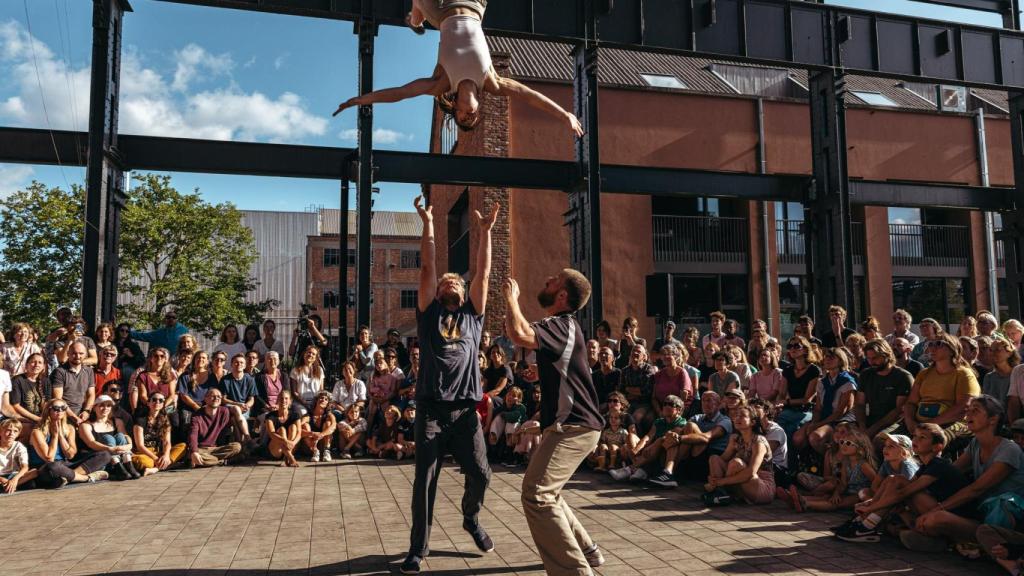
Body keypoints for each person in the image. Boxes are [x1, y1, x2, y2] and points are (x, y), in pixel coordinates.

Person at [402, 195, 498, 575]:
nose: (450, 282)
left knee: (481, 474)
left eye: (456, 280)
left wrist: (486, 233)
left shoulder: (474, 316)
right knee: (425, 480)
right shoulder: (429, 315)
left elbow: (484, 273)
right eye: (446, 281)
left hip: (464, 412)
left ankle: (471, 518)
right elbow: (428, 266)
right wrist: (427, 222)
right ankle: (418, 548)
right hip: (430, 408)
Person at [335, 0, 583, 137]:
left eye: (463, 119)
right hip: (474, 5)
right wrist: (566, 115)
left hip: (442, 9)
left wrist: (361, 100)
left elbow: (400, 93)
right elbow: (530, 96)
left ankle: (414, 18)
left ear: (454, 107)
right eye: (473, 119)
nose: (470, 117)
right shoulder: (492, 81)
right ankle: (415, 18)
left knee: (420, 8)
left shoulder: (441, 83)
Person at [504, 268, 606, 575]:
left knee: (537, 495)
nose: (547, 278)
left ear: (562, 295)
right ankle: (588, 551)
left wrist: (510, 297)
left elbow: (519, 334)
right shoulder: (565, 328)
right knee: (549, 494)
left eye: (554, 279)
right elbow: (569, 374)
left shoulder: (559, 324)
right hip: (573, 426)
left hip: (574, 428)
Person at [910, 396, 1024, 552]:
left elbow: (976, 489)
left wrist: (936, 509)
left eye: (975, 411)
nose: (968, 415)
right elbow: (950, 472)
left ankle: (957, 542)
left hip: (997, 523)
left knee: (935, 518)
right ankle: (949, 541)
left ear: (993, 419)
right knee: (916, 495)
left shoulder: (1009, 450)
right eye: (968, 410)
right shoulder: (975, 444)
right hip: (978, 511)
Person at [837, 423, 967, 543]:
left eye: (922, 438)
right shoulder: (924, 466)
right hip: (928, 508)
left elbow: (904, 492)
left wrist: (871, 507)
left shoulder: (939, 465)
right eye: (914, 436)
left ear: (937, 447)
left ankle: (867, 525)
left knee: (898, 483)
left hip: (947, 514)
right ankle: (864, 522)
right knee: (894, 479)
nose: (915, 440)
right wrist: (871, 502)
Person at [902, 333, 980, 444]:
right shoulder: (924, 373)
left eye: (939, 344)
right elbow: (911, 403)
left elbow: (964, 407)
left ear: (952, 349)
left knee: (927, 442)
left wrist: (930, 424)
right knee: (881, 440)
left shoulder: (964, 374)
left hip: (953, 422)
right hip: (920, 422)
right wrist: (910, 422)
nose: (932, 348)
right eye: (930, 344)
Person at [785, 428, 877, 513]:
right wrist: (836, 493)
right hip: (848, 491)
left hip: (859, 494)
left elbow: (876, 482)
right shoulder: (846, 462)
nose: (843, 445)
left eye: (848, 443)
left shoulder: (863, 465)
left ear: (860, 449)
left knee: (836, 504)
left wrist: (869, 498)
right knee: (828, 498)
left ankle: (806, 504)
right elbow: (843, 483)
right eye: (842, 442)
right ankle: (797, 499)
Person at [702, 404, 775, 504]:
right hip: (743, 482)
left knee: (735, 463)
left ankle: (719, 491)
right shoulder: (737, 439)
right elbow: (722, 460)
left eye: (742, 416)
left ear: (752, 422)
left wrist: (721, 481)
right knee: (714, 458)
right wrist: (713, 477)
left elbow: (751, 472)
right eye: (736, 415)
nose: (737, 418)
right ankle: (720, 493)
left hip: (761, 487)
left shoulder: (759, 442)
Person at [28, 399, 110, 488]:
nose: (60, 411)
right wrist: (55, 436)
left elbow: (70, 455)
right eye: (56, 408)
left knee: (105, 454)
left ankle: (68, 477)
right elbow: (49, 458)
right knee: (53, 466)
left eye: (63, 408)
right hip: (45, 468)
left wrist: (61, 436)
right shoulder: (37, 432)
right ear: (48, 410)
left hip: (65, 465)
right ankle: (85, 478)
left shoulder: (69, 428)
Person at [660, 391, 733, 482]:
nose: (705, 404)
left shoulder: (725, 420)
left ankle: (669, 471)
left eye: (709, 400)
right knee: (677, 431)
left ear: (718, 404)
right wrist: (672, 435)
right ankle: (668, 471)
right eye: (703, 401)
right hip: (694, 450)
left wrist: (679, 438)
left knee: (690, 427)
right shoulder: (697, 417)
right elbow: (680, 431)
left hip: (711, 453)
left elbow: (707, 438)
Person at [855, 339, 914, 441]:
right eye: (868, 358)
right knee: (842, 433)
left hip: (895, 422)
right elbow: (860, 404)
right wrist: (862, 426)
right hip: (871, 419)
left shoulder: (903, 376)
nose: (871, 362)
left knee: (878, 440)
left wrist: (871, 430)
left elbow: (898, 411)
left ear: (887, 355)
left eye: (875, 358)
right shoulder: (865, 374)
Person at [79, 394, 140, 480]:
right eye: (101, 405)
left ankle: (127, 464)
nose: (105, 408)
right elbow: (91, 443)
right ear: (94, 407)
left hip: (119, 454)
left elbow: (125, 436)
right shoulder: (86, 425)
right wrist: (109, 449)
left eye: (108, 406)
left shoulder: (117, 421)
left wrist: (130, 444)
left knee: (120, 436)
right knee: (108, 438)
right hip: (99, 458)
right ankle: (116, 465)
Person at [777, 336, 822, 440]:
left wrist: (785, 402)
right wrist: (779, 404)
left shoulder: (814, 370)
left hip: (807, 411)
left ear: (806, 349)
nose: (792, 349)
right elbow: (781, 394)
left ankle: (788, 455)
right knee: (778, 423)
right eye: (790, 346)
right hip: (788, 409)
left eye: (797, 346)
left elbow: (807, 400)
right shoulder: (787, 370)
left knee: (789, 426)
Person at [132, 393, 187, 475]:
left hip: (158, 451)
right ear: (148, 403)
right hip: (144, 453)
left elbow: (167, 442)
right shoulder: (140, 420)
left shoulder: (165, 420)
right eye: (154, 400)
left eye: (161, 400)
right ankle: (167, 465)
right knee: (143, 461)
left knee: (183, 446)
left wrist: (166, 455)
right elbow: (140, 446)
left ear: (163, 404)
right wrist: (156, 459)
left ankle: (155, 469)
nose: (157, 402)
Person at [187, 390, 242, 468]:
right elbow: (193, 435)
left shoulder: (224, 411)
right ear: (205, 399)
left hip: (217, 449)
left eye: (219, 396)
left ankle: (209, 461)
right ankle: (221, 461)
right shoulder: (197, 416)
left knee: (237, 447)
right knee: (191, 454)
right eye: (213, 396)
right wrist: (194, 452)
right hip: (202, 449)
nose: (216, 398)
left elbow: (231, 426)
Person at [51, 342, 95, 427]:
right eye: (74, 353)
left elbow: (91, 394)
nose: (78, 356)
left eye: (81, 353)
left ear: (86, 354)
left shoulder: (89, 371)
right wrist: (74, 417)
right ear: (68, 354)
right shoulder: (60, 372)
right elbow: (58, 399)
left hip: (83, 414)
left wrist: (86, 411)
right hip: (63, 414)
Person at [618, 345, 657, 434]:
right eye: (633, 351)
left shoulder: (648, 369)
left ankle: (637, 440)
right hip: (628, 403)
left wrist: (628, 389)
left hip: (644, 404)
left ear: (644, 356)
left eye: (638, 352)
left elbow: (646, 391)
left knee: (636, 417)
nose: (635, 353)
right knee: (618, 415)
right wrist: (636, 391)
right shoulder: (624, 371)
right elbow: (621, 390)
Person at [218, 353, 257, 444]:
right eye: (236, 362)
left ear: (245, 365)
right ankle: (248, 438)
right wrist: (238, 404)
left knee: (234, 420)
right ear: (231, 364)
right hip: (229, 407)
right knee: (236, 409)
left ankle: (241, 446)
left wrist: (247, 406)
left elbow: (252, 399)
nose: (239, 364)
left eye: (241, 362)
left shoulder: (250, 379)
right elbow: (223, 399)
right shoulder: (225, 380)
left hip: (244, 408)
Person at [128, 347, 177, 413]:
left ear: (165, 359)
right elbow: (143, 396)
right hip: (148, 406)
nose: (159, 358)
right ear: (151, 359)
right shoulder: (143, 375)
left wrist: (162, 406)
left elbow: (172, 395)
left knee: (175, 420)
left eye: (162, 356)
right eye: (156, 356)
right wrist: (153, 406)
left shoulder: (170, 375)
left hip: (165, 407)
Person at [265, 389, 303, 467]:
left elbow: (299, 433)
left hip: (291, 446)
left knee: (293, 427)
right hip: (276, 450)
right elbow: (271, 434)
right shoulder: (270, 416)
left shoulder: (295, 415)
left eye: (286, 398)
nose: (283, 400)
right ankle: (290, 457)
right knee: (281, 430)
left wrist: (293, 443)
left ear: (290, 401)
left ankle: (287, 455)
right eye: (281, 398)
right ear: (278, 400)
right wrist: (286, 441)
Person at [983, 337, 1020, 405]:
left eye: (997, 349)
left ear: (1009, 353)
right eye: (991, 350)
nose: (993, 353)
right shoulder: (989, 377)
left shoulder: (1019, 375)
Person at [291, 345, 325, 415]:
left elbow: (321, 390)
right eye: (309, 352)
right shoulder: (295, 370)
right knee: (303, 412)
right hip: (300, 402)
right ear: (304, 354)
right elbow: (294, 392)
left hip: (316, 402)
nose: (310, 355)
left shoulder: (319, 370)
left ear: (315, 358)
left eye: (313, 354)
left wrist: (317, 403)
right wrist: (304, 403)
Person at [303, 391, 336, 462]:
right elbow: (298, 429)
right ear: (316, 400)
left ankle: (327, 451)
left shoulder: (329, 415)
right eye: (321, 398)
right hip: (310, 446)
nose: (323, 400)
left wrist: (321, 434)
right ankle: (315, 451)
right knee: (305, 425)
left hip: (323, 444)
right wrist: (312, 433)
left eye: (326, 399)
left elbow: (333, 426)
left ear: (328, 404)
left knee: (328, 423)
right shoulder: (308, 416)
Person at [255, 351, 291, 416]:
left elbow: (287, 392)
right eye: (269, 359)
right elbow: (257, 395)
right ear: (265, 362)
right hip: (265, 407)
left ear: (279, 361)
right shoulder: (259, 376)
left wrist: (278, 405)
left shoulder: (284, 375)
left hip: (282, 405)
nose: (272, 361)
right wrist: (267, 406)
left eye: (275, 359)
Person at [0, 419, 29, 494]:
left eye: (15, 431)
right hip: (1, 476)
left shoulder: (19, 446)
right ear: (0, 432)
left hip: (13, 475)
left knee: (34, 472)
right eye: (8, 430)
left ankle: (9, 485)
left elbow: (25, 467)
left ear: (18, 434)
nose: (11, 434)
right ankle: (11, 486)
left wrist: (15, 479)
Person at [591, 347, 621, 412]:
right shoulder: (594, 375)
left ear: (613, 358)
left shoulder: (618, 374)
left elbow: (619, 394)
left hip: (613, 406)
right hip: (596, 406)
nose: (603, 355)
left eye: (606, 354)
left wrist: (607, 404)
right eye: (601, 353)